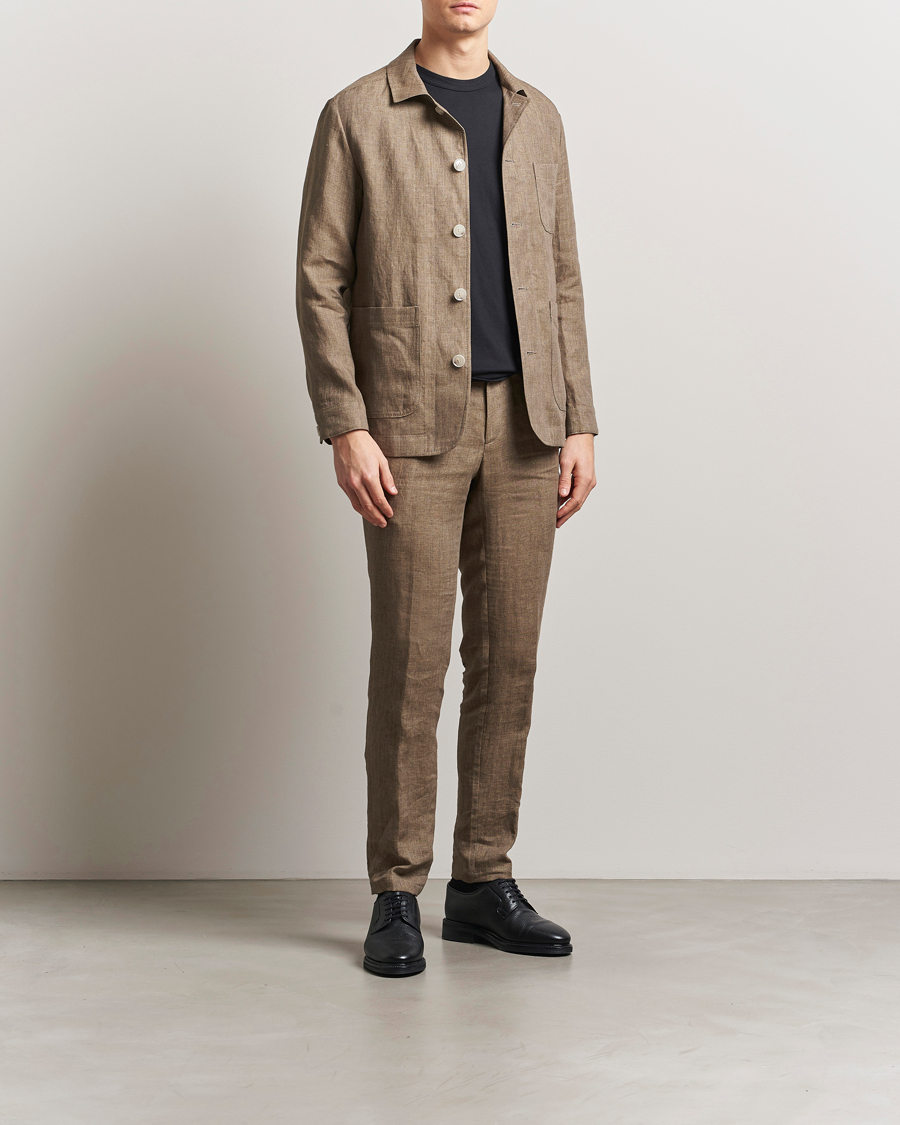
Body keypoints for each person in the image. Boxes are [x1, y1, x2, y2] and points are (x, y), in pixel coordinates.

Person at [296, 0, 598, 977]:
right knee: (411, 661)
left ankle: (481, 881)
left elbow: (562, 277)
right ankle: (396, 890)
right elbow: (320, 277)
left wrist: (581, 417)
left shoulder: (539, 117)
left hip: (530, 424)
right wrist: (345, 421)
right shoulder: (356, 115)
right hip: (408, 423)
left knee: (509, 658)